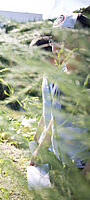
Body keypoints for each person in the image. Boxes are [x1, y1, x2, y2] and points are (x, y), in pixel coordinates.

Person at [29, 14, 90, 176]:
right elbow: (54, 120)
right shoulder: (63, 77)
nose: (57, 47)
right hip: (64, 163)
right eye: (55, 39)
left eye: (65, 39)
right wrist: (40, 148)